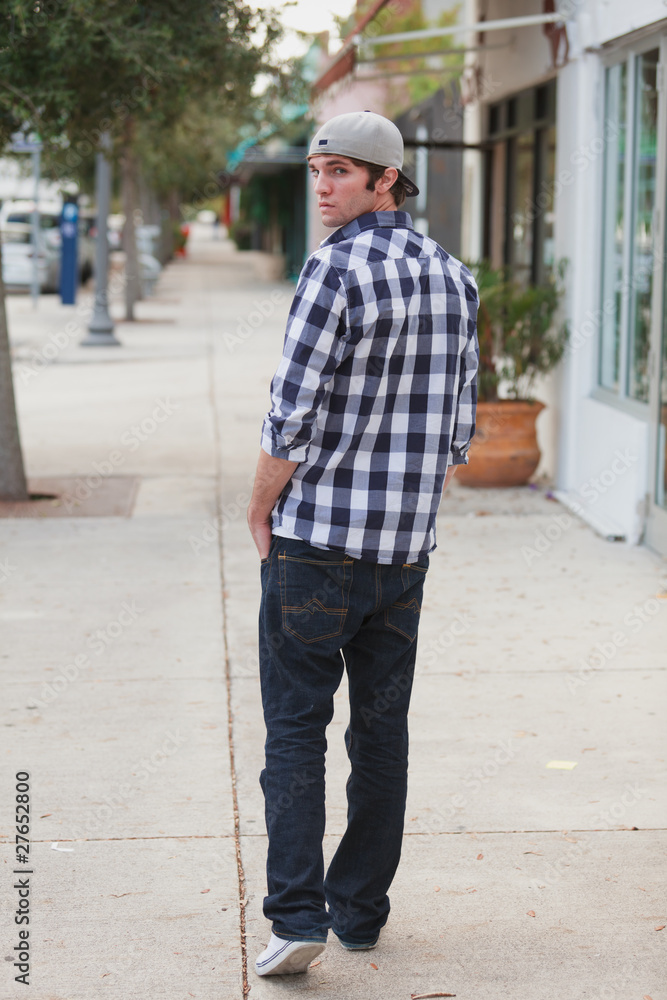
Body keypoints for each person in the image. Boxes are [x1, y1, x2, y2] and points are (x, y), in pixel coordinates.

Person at [247, 110, 478, 977]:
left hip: (314, 546)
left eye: (339, 172)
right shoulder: (454, 277)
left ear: (387, 179)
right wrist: (403, 511)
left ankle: (298, 914)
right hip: (401, 556)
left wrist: (257, 507)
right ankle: (360, 914)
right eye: (316, 171)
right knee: (381, 735)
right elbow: (457, 433)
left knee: (296, 733)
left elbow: (290, 414)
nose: (321, 187)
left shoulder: (332, 272)